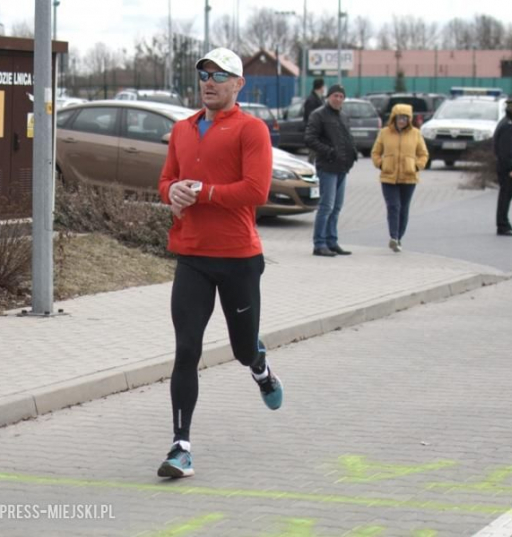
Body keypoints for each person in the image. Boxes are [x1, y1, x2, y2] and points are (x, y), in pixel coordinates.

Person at [156, 47, 283, 479]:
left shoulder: (252, 130)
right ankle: (180, 447)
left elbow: (256, 190)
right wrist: (172, 192)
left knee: (241, 348)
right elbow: (166, 180)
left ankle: (260, 366)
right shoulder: (182, 129)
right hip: (191, 255)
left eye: (220, 75)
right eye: (204, 74)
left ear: (238, 84)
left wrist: (204, 192)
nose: (209, 82)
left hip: (238, 258)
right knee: (186, 350)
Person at [304, 84, 358, 257]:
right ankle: (319, 244)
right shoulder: (318, 115)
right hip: (327, 166)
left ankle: (331, 241)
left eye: (341, 96)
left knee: (336, 207)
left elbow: (347, 138)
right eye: (335, 96)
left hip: (342, 166)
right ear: (328, 97)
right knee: (326, 206)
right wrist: (329, 152)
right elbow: (310, 139)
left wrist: (352, 154)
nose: (338, 99)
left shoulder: (343, 116)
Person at [370, 103, 429, 251]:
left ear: (409, 119)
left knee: (404, 208)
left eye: (405, 118)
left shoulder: (416, 133)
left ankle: (399, 237)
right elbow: (375, 152)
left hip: (409, 177)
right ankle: (393, 237)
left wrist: (416, 166)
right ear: (393, 118)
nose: (402, 121)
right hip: (388, 177)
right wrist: (381, 164)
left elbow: (423, 154)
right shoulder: (384, 133)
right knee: (393, 206)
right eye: (399, 117)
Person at [492, 96, 512, 236]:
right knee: (505, 196)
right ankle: (502, 225)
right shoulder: (508, 126)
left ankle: (505, 223)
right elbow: (505, 150)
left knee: (507, 196)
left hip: (508, 165)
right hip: (507, 167)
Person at [303, 78, 326, 163]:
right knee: (313, 155)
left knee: (319, 156)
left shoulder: (320, 98)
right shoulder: (311, 100)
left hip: (321, 133)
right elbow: (309, 117)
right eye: (323, 86)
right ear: (321, 87)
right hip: (314, 133)